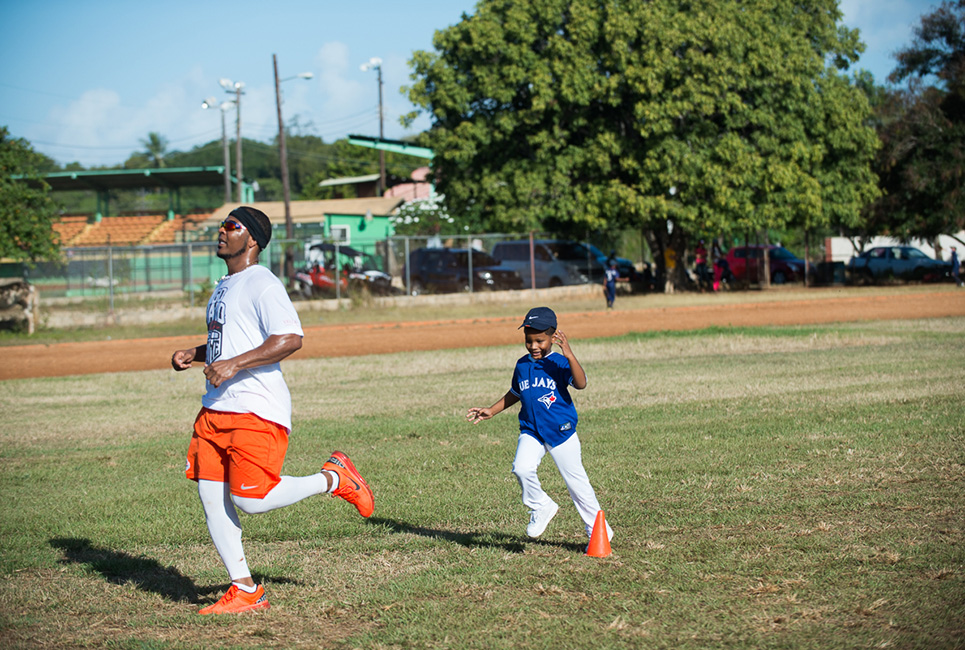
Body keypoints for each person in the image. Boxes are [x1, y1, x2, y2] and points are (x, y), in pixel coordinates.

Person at [171, 206, 374, 615]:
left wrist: (234, 364)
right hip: (214, 411)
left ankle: (333, 478)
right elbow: (228, 343)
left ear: (253, 240)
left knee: (253, 500)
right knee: (212, 498)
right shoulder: (225, 285)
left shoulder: (263, 282)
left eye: (232, 226)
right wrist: (194, 354)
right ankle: (244, 588)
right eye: (222, 225)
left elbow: (290, 338)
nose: (222, 231)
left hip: (254, 408)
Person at [466, 307, 613, 546]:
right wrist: (491, 410)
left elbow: (581, 383)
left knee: (577, 484)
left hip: (561, 432)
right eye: (528, 340)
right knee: (521, 468)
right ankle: (541, 505)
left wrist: (569, 354)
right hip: (531, 430)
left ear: (553, 338)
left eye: (540, 340)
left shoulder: (558, 362)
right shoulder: (522, 365)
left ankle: (598, 530)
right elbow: (516, 392)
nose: (533, 346)